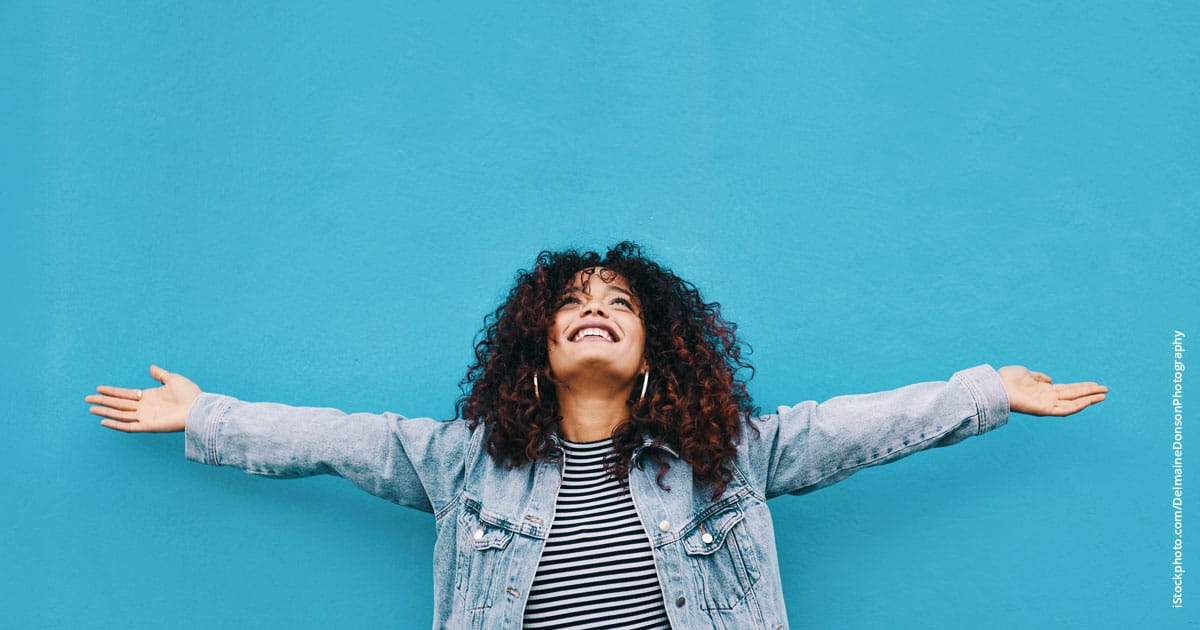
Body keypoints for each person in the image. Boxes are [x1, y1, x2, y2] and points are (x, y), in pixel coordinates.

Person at [84, 242, 1107, 630]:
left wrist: (988, 391)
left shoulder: (729, 456)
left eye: (620, 301)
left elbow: (851, 428)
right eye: (572, 301)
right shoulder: (463, 462)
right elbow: (340, 437)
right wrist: (205, 413)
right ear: (540, 343)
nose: (596, 309)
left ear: (654, 344)